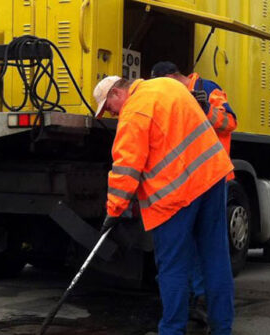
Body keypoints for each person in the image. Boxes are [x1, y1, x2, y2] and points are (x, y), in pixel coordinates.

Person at [94, 75, 235, 335]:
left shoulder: (134, 111)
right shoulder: (169, 86)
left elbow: (126, 168)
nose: (112, 113)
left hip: (175, 197)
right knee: (216, 258)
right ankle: (222, 328)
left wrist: (113, 210)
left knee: (173, 267)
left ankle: (172, 330)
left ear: (116, 92)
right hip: (212, 178)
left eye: (109, 107)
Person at [151, 61, 238, 328]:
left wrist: (205, 109)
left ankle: (201, 302)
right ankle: (200, 304)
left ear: (169, 78)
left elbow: (229, 122)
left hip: (212, 178)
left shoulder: (207, 89)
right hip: (186, 181)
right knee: (196, 249)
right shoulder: (171, 97)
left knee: (207, 251)